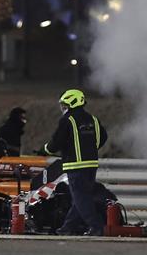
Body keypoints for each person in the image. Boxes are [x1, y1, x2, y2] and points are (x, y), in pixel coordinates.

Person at [43, 89, 107, 236]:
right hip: (91, 165)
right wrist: (91, 149)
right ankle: (67, 227)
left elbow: (56, 142)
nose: (63, 108)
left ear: (72, 102)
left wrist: (45, 149)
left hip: (75, 166)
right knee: (80, 198)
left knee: (81, 198)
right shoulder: (93, 119)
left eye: (64, 104)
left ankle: (97, 226)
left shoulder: (68, 120)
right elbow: (103, 137)